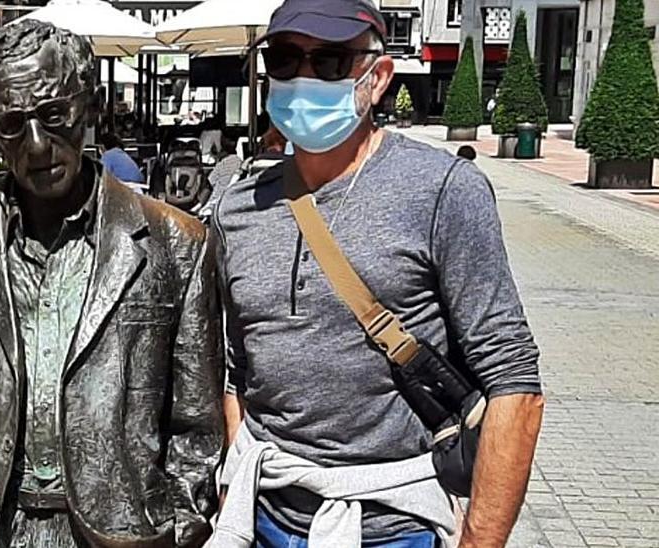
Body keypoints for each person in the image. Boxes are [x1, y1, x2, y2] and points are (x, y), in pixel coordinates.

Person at [0, 20, 224, 548]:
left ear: (92, 107)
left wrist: (176, 525)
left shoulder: (176, 245)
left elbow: (196, 430)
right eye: (12, 125)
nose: (37, 145)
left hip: (122, 535)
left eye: (55, 115)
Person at [209, 0, 544, 546]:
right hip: (263, 515)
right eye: (285, 58)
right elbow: (235, 367)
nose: (303, 77)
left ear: (378, 76)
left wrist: (480, 539)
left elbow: (514, 382)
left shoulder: (441, 190)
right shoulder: (237, 206)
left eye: (331, 61)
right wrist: (233, 484)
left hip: (392, 524)